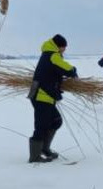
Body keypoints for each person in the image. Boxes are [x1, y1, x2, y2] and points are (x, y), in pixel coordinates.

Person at [29, 34, 77, 163]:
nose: (64, 50)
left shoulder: (48, 54)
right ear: (58, 46)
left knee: (56, 121)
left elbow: (52, 72)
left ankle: (44, 149)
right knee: (41, 126)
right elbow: (66, 68)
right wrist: (73, 70)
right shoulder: (52, 55)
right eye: (64, 47)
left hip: (44, 95)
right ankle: (34, 156)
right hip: (41, 95)